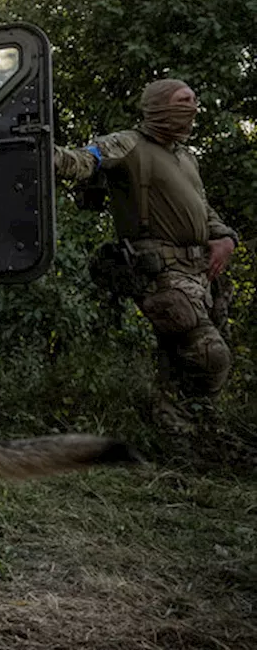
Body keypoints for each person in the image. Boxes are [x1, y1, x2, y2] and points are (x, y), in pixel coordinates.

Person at [54, 79, 241, 456]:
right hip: (159, 270)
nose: (192, 106)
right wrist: (38, 150)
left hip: (201, 272)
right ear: (157, 106)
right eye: (182, 100)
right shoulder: (129, 144)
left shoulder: (187, 157)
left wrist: (226, 238)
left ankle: (179, 436)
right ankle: (184, 428)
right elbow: (82, 160)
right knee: (209, 354)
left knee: (178, 358)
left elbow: (205, 211)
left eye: (194, 99)